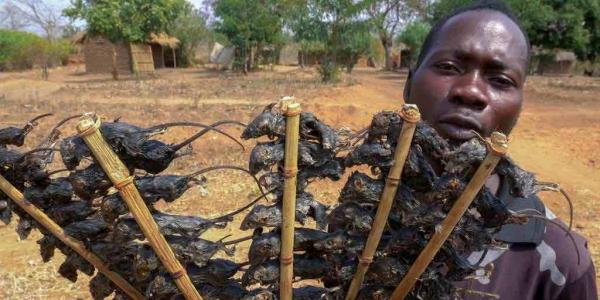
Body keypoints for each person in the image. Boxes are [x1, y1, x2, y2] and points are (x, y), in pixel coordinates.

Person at [402, 1, 597, 299]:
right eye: (448, 67)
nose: (470, 91)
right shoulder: (362, 218)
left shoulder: (561, 263)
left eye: (500, 81)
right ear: (408, 85)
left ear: (518, 109)